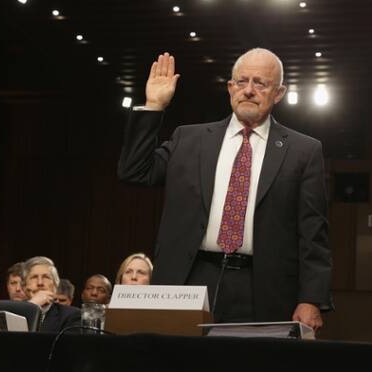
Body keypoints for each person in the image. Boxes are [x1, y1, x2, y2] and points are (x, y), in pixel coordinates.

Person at [118, 49, 332, 329]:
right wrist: (154, 106)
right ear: (230, 88)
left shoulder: (304, 151)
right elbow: (134, 171)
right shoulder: (189, 139)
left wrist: (312, 299)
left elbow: (313, 233)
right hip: (190, 279)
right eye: (242, 82)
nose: (249, 91)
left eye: (260, 83)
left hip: (262, 288)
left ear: (279, 93)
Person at [23, 256, 80, 333]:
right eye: (34, 277)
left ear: (55, 286)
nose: (40, 283)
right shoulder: (11, 313)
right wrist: (32, 307)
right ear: (24, 286)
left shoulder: (72, 316)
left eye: (46, 277)